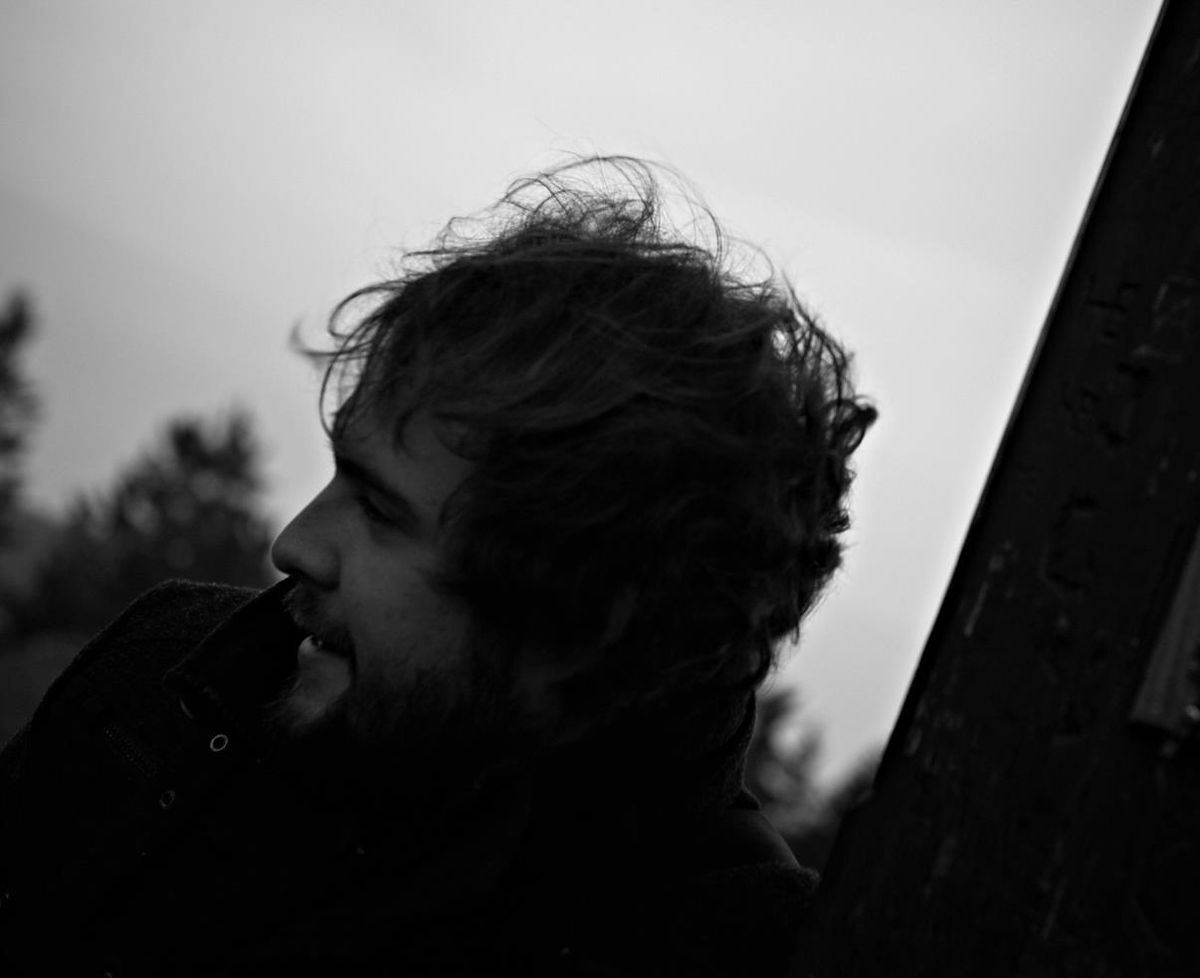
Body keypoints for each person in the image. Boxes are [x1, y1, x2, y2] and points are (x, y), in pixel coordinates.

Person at [0, 157, 874, 976]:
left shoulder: (733, 951)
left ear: (580, 615)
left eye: (380, 510)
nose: (293, 545)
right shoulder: (162, 684)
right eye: (340, 473)